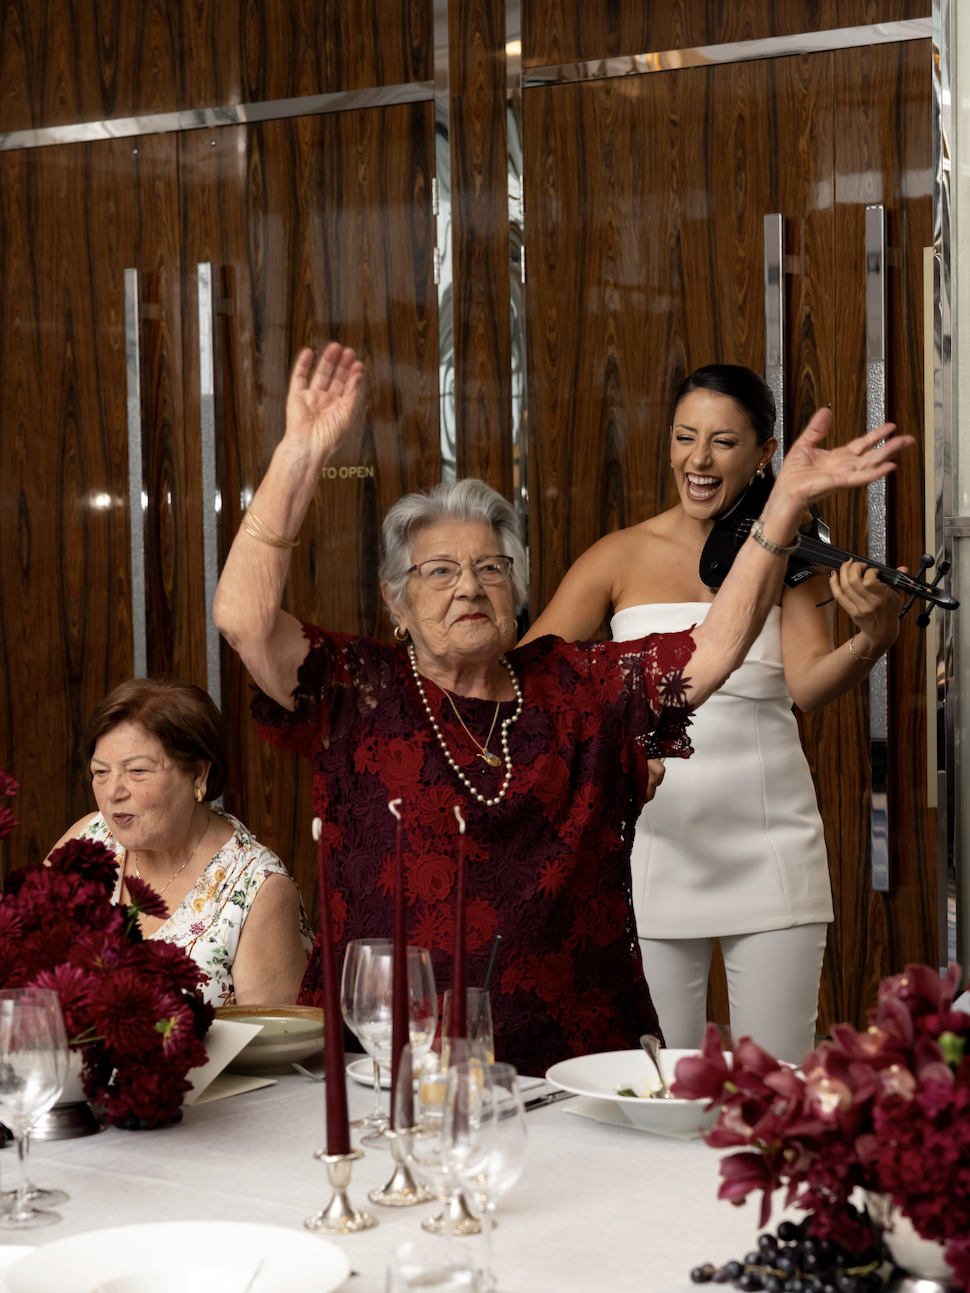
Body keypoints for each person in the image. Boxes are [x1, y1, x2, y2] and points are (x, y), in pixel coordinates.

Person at [212, 343, 908, 1076]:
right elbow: (244, 619)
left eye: (491, 568)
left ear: (518, 589)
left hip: (577, 1065)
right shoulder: (363, 689)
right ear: (396, 600)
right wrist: (300, 453)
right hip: (389, 1067)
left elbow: (713, 650)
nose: (469, 588)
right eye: (439, 571)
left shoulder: (574, 685)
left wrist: (783, 510)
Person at [522, 365, 906, 1064]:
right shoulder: (619, 555)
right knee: (655, 1081)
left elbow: (811, 685)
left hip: (771, 849)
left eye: (723, 442)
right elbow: (529, 681)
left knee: (777, 1084)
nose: (698, 461)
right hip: (650, 849)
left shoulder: (787, 555)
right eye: (684, 437)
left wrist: (873, 639)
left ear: (766, 454)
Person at [51, 679, 313, 1005]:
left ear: (198, 775)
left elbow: (271, 1048)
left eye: (137, 771)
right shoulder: (88, 841)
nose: (112, 792)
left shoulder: (259, 890)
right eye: (100, 772)